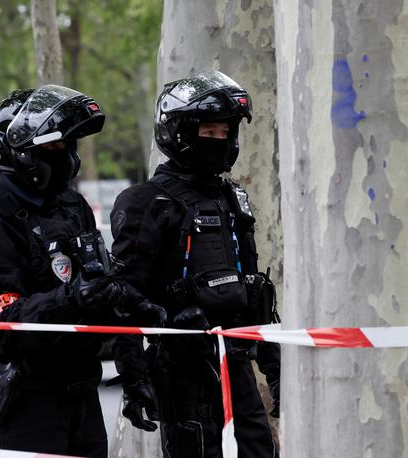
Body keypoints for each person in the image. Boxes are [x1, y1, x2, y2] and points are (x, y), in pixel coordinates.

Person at [110, 71, 281, 457]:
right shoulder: (146, 202)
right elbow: (123, 296)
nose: (219, 142)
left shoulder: (232, 197)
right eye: (209, 132)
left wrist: (275, 368)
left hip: (236, 367)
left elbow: (253, 286)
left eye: (225, 132)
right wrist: (133, 379)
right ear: (181, 133)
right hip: (181, 373)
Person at [0, 85, 127, 456]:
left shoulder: (71, 206)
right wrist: (72, 297)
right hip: (24, 402)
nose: (65, 156)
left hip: (80, 392)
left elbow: (101, 279)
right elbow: (7, 329)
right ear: (20, 154)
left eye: (68, 145)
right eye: (53, 147)